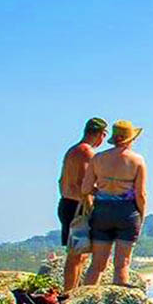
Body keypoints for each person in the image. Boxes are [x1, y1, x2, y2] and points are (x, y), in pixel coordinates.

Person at [82, 120, 147, 287]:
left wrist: (103, 193)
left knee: (97, 265)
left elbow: (86, 188)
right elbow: (140, 194)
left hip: (102, 210)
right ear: (130, 139)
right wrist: (141, 215)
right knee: (122, 264)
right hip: (127, 212)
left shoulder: (98, 158)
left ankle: (83, 299)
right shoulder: (137, 161)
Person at [57, 117, 107, 291]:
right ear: (102, 134)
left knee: (80, 254)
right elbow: (86, 185)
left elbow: (63, 181)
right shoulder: (87, 152)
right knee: (77, 255)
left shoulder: (72, 151)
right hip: (78, 207)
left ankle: (71, 291)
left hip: (68, 203)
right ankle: (69, 293)